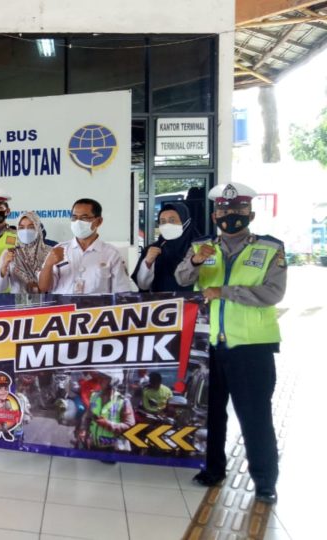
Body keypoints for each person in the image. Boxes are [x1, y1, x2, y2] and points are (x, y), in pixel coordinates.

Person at [174, 182, 284, 504]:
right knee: (209, 413)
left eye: (237, 211)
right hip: (207, 346)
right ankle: (213, 469)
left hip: (250, 347)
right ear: (214, 214)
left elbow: (273, 293)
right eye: (224, 211)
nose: (230, 216)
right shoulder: (201, 246)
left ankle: (264, 480)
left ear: (250, 213)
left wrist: (226, 291)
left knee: (254, 415)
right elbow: (182, 280)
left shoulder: (269, 248)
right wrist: (195, 262)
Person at [38, 198, 132, 294]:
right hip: (64, 307)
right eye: (74, 217)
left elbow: (122, 292)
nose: (78, 222)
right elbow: (43, 288)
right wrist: (48, 265)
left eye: (84, 218)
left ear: (99, 221)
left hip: (95, 308)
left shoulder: (111, 254)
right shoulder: (59, 249)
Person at [131, 203, 199, 292]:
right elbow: (143, 286)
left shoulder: (200, 248)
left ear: (185, 221)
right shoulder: (152, 249)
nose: (167, 225)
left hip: (194, 303)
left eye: (172, 220)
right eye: (163, 221)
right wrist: (147, 263)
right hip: (161, 304)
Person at [77, 369, 136, 452]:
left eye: (103, 378)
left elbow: (129, 425)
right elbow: (87, 416)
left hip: (112, 449)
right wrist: (83, 430)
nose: (99, 380)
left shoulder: (123, 401)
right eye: (99, 377)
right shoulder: (94, 396)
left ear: (113, 381)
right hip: (92, 446)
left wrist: (108, 424)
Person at [0, 211, 50, 294]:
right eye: (21, 227)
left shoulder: (50, 252)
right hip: (18, 303)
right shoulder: (9, 252)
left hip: (45, 302)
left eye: (31, 227)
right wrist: (4, 265)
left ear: (38, 228)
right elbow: (0, 288)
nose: (26, 231)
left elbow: (57, 285)